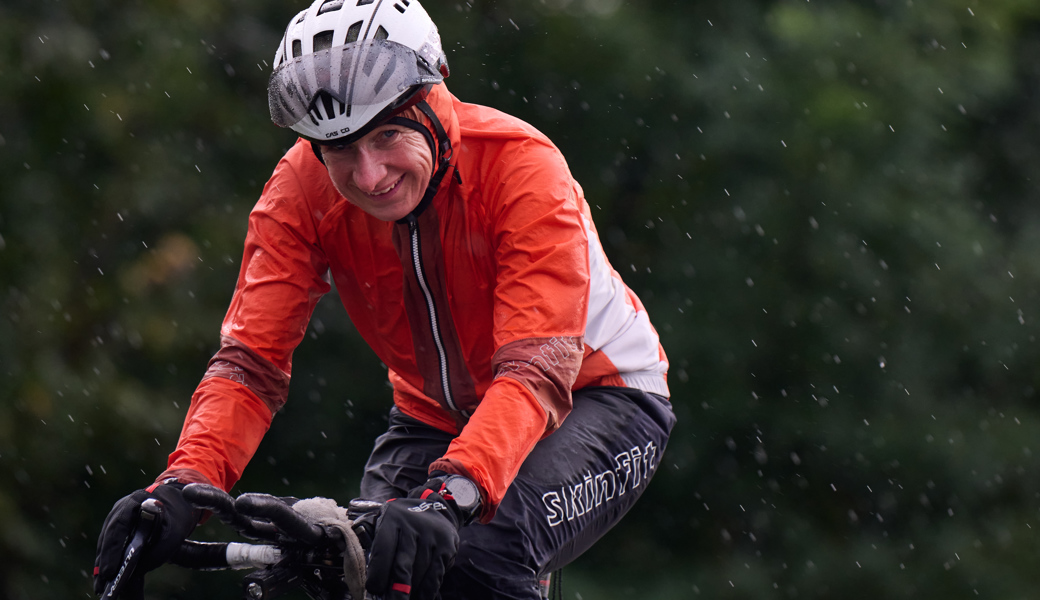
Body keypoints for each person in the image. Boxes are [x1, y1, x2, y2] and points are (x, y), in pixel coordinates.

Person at [94, 0, 676, 598]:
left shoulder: (521, 168)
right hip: (433, 415)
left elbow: (537, 368)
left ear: (434, 96)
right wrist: (182, 489)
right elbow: (250, 365)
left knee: (475, 553)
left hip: (597, 397)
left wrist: (457, 493)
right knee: (368, 572)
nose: (369, 177)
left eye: (388, 135)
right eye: (340, 149)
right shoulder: (299, 189)